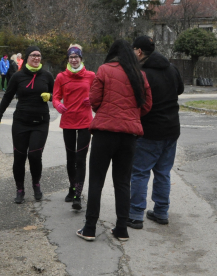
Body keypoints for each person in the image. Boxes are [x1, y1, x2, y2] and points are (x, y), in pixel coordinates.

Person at [77, 40, 152, 242]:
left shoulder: (104, 70)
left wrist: (104, 111)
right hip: (129, 137)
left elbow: (94, 99)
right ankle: (121, 229)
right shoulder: (140, 75)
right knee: (122, 183)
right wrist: (131, 116)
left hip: (104, 134)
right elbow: (146, 105)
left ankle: (90, 228)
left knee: (96, 182)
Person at [128, 36, 184, 228]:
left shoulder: (141, 73)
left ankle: (135, 214)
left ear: (139, 52)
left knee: (140, 172)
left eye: (133, 50)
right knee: (163, 172)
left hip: (150, 130)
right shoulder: (172, 68)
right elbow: (180, 90)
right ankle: (161, 212)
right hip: (171, 129)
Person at [0, 46, 55, 203]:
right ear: (27, 57)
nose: (36, 58)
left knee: (34, 155)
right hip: (21, 122)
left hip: (40, 122)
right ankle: (20, 189)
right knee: (19, 157)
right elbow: (7, 97)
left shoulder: (47, 76)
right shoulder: (18, 76)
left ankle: (36, 184)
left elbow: (58, 96)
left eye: (39, 55)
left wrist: (51, 96)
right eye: (33, 55)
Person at [52, 44, 96, 210]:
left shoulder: (91, 76)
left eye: (76, 57)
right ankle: (72, 188)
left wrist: (92, 98)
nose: (74, 60)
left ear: (81, 58)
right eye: (71, 57)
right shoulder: (62, 77)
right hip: (68, 121)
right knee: (70, 159)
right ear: (68, 59)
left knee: (80, 159)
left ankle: (77, 194)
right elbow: (55, 97)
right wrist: (57, 105)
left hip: (85, 121)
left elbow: (99, 94)